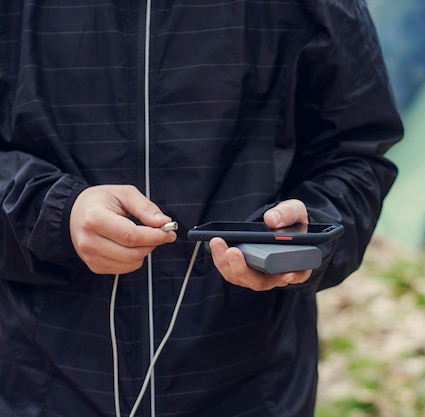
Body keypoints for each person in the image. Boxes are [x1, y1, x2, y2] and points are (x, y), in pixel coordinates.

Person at [0, 1, 402, 416]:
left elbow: (356, 152)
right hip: (37, 383)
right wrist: (54, 214)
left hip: (251, 387)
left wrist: (307, 234)